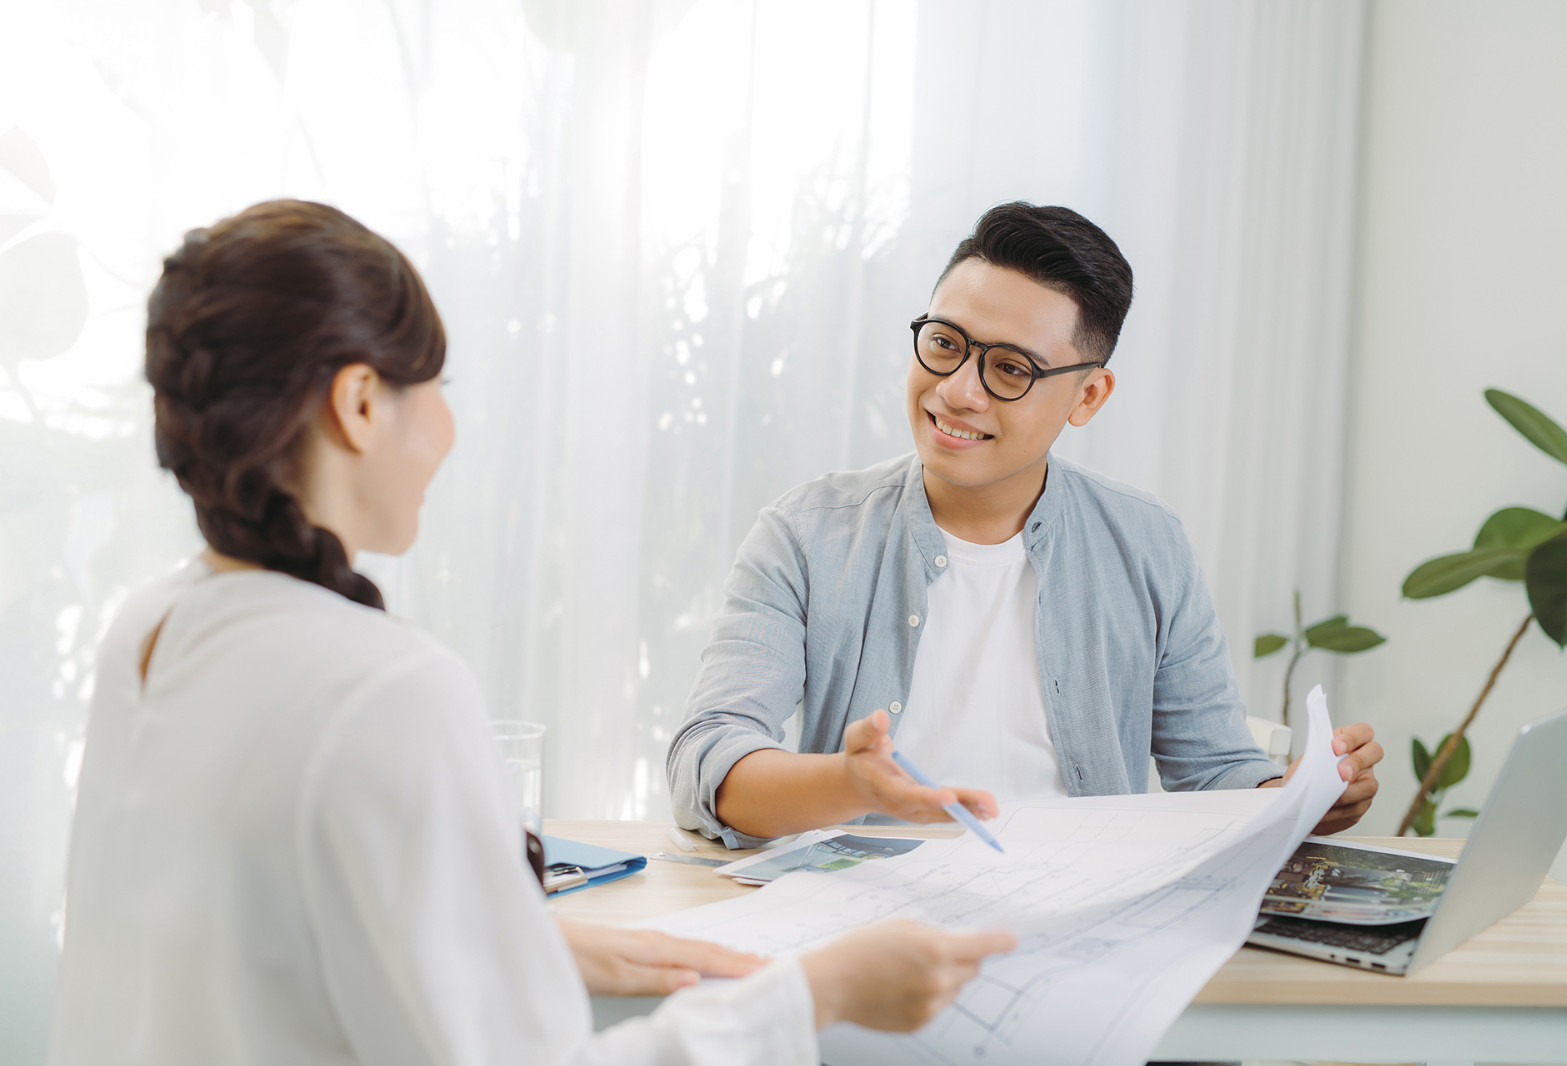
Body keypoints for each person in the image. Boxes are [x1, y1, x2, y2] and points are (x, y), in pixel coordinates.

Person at [48, 200, 1015, 1066]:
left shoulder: (153, 627)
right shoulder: (384, 689)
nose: (447, 430)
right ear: (358, 403)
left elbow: (249, 947)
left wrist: (518, 940)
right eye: (435, 385)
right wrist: (817, 994)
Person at [668, 202, 1384, 849]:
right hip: (865, 924)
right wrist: (848, 786)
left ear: (1088, 396)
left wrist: (1299, 799)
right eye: (945, 343)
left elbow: (1216, 774)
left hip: (1083, 918)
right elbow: (710, 756)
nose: (958, 391)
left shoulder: (1147, 544)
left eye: (1010, 370)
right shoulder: (805, 536)